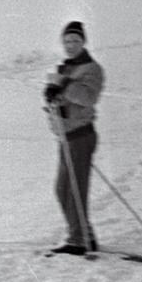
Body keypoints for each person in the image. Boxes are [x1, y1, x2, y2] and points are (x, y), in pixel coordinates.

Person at [44, 21, 104, 255]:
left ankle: (78, 239)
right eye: (67, 41)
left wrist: (64, 87)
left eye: (75, 41)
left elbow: (88, 98)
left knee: (75, 190)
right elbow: (62, 101)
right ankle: (83, 234)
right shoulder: (64, 68)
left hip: (81, 136)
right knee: (62, 189)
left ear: (84, 42)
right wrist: (51, 99)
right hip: (65, 136)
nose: (71, 45)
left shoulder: (92, 69)